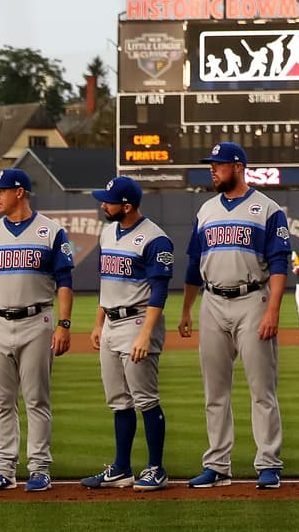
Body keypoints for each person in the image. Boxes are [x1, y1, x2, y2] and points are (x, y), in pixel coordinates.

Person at [179, 142, 291, 490]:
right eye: (211, 165)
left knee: (262, 389)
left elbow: (278, 263)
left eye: (219, 165)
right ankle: (217, 464)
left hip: (251, 300)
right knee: (215, 391)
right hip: (212, 302)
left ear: (238, 166)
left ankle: (269, 463)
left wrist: (273, 308)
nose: (212, 170)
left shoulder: (267, 209)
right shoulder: (206, 210)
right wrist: (186, 309)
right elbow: (194, 265)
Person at [0, 169, 75, 492]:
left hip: (36, 321)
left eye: (1, 190)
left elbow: (65, 282)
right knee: (2, 401)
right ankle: (4, 469)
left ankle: (39, 468)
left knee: (37, 399)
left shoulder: (50, 232)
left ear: (20, 192)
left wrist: (64, 325)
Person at [80, 176, 173, 492]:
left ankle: (156, 468)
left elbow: (160, 291)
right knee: (118, 401)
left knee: (145, 399)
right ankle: (121, 468)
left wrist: (146, 335)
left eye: (107, 201)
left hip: (137, 322)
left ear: (127, 206)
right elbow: (107, 281)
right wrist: (97, 322)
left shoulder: (155, 239)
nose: (102, 205)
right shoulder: (108, 232)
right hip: (110, 322)